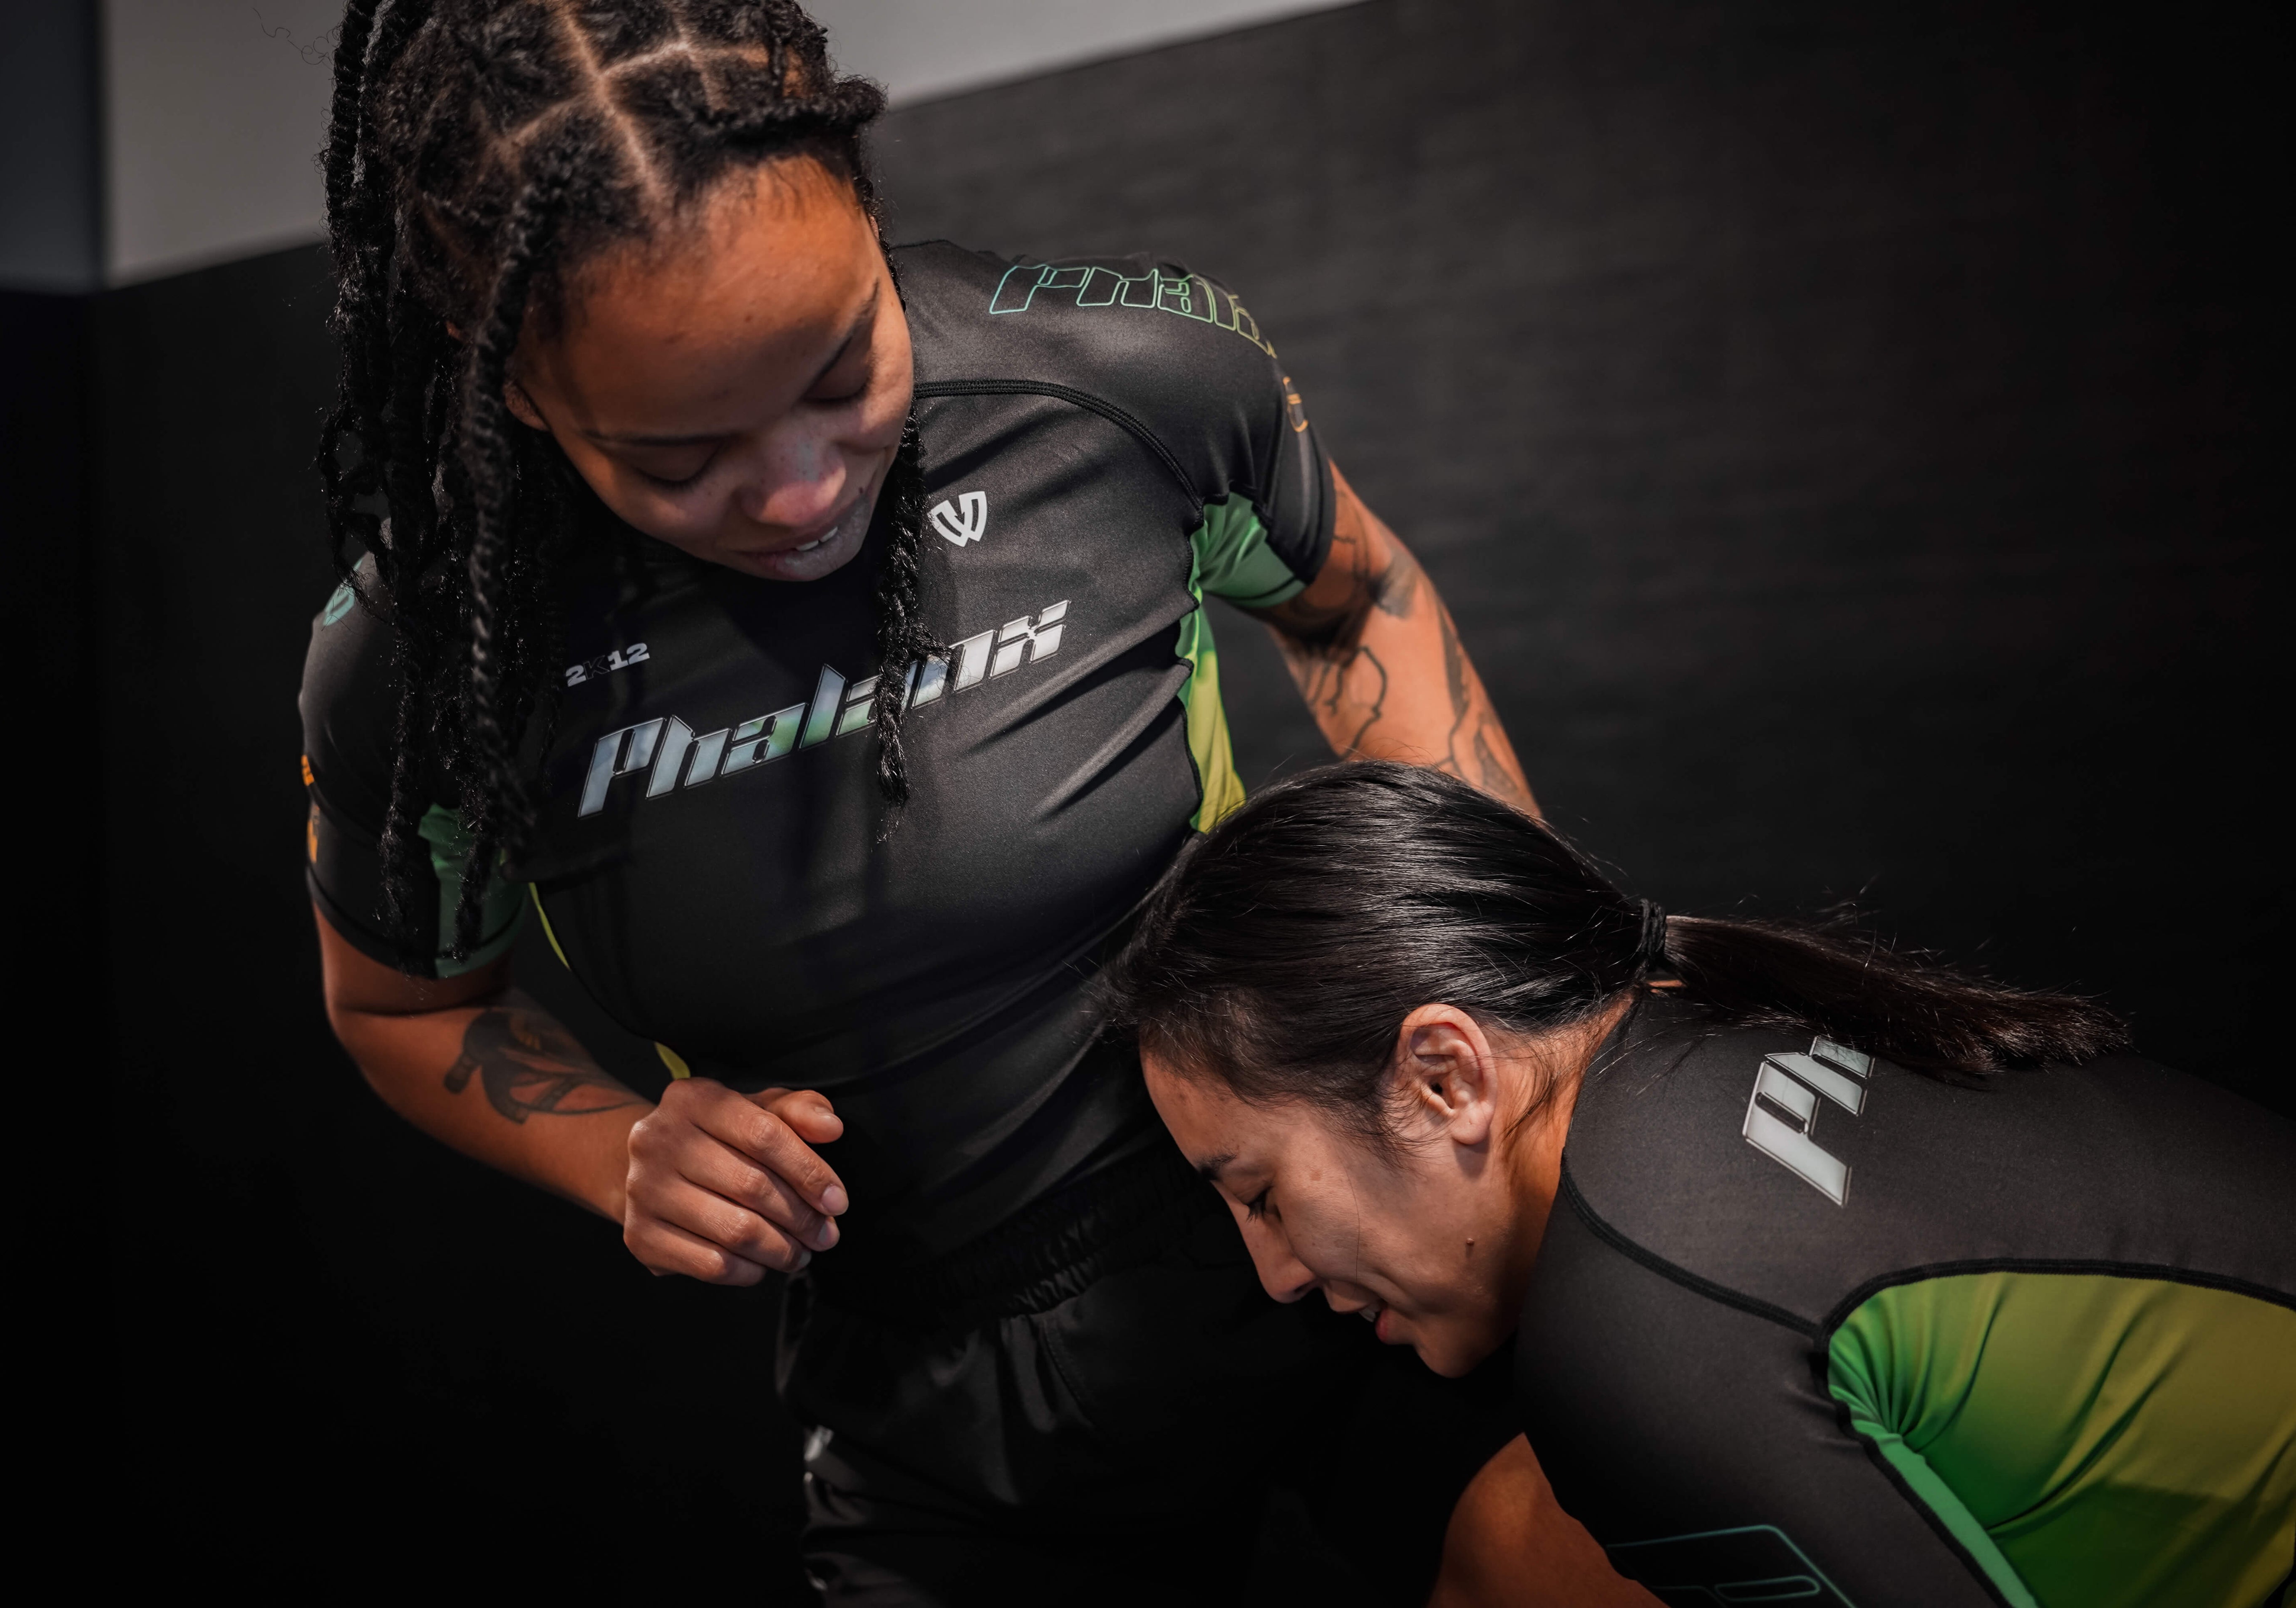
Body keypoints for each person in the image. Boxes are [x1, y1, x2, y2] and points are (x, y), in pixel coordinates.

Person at [299, 3, 1588, 1602]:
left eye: (845, 371)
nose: (801, 491)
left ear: (866, 206)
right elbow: (407, 1007)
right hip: (936, 1399)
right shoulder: (432, 662)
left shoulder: (1122, 384)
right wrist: (620, 1145)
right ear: (510, 388)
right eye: (682, 461)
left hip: (1327, 1246)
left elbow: (1354, 598)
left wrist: (1513, 983)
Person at [1106, 760, 2296, 1608]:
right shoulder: (1695, 1015)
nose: (1275, 1275)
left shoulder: (1641, 1334)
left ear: (1443, 1077)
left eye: (1260, 1194)